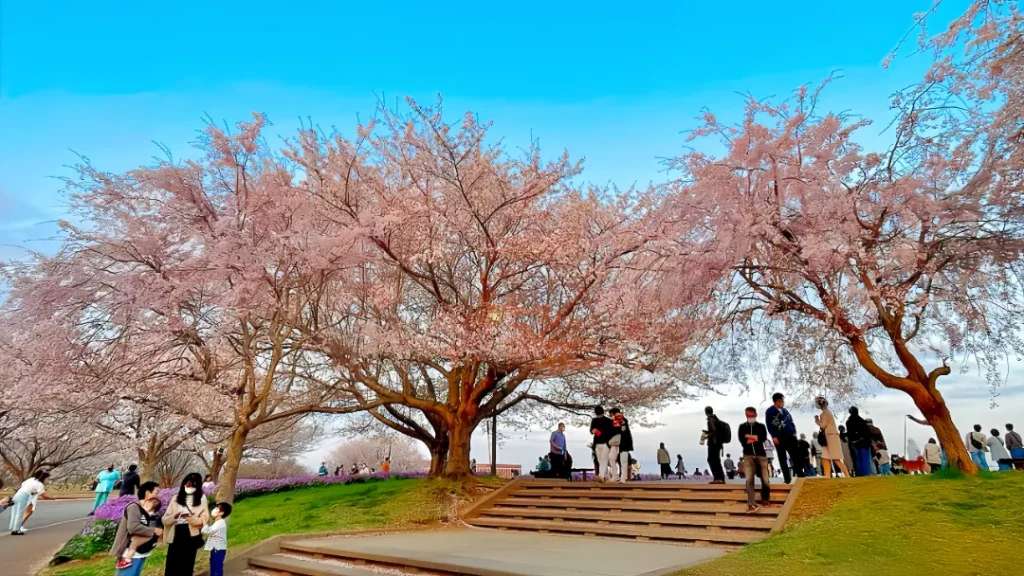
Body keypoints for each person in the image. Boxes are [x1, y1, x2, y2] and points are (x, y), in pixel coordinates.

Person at [163, 472, 210, 576]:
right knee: (172, 564)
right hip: (176, 533)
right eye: (187, 484)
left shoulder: (202, 499)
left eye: (192, 485)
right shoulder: (175, 498)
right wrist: (174, 517)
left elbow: (205, 519)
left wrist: (190, 518)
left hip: (191, 534)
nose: (189, 487)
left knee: (187, 564)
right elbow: (165, 519)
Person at [112, 480, 163, 576]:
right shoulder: (134, 507)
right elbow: (133, 527)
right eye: (156, 492)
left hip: (142, 552)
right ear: (148, 493)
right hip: (130, 553)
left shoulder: (152, 511)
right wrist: (154, 530)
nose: (158, 496)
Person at [764, 392, 805, 484]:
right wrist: (773, 436)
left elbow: (791, 421)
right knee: (782, 458)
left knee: (795, 456)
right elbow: (769, 425)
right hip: (779, 438)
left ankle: (800, 475)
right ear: (777, 401)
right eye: (782, 400)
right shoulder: (770, 411)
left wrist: (794, 432)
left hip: (790, 437)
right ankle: (787, 479)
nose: (783, 402)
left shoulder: (785, 410)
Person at [737, 407, 771, 512]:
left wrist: (750, 437)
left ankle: (765, 498)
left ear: (755, 414)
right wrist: (755, 438)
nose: (750, 417)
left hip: (761, 454)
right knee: (749, 479)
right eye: (748, 415)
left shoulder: (761, 426)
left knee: (765, 479)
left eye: (752, 415)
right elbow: (743, 440)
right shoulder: (742, 427)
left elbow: (763, 438)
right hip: (748, 455)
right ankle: (751, 503)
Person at [813, 397, 851, 478]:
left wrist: (817, 420)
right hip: (830, 437)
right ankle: (827, 475)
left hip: (830, 437)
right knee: (825, 457)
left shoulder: (824, 414)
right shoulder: (827, 412)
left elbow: (823, 425)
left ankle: (847, 475)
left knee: (835, 458)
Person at [9, 470, 51, 535]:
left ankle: (14, 529)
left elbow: (24, 485)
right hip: (23, 497)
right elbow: (44, 496)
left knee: (15, 512)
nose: (48, 480)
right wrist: (52, 498)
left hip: (17, 494)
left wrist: (32, 492)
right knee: (19, 513)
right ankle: (16, 530)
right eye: (47, 478)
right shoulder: (39, 484)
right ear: (43, 478)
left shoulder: (31, 479)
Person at [202, 502, 232, 576]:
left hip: (218, 550)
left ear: (221, 513)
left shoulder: (220, 523)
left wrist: (204, 521)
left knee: (217, 569)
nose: (214, 509)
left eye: (217, 508)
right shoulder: (217, 522)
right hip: (215, 549)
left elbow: (206, 531)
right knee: (213, 567)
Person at [846, 407, 873, 477]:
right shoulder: (862, 421)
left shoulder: (849, 422)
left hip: (854, 443)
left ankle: (859, 473)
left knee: (857, 459)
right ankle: (866, 473)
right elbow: (867, 433)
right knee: (865, 459)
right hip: (864, 442)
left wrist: (852, 441)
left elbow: (850, 433)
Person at [590, 406, 615, 481]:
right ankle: (607, 476)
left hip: (605, 444)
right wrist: (593, 431)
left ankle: (601, 476)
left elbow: (611, 433)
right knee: (600, 460)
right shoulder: (594, 420)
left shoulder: (609, 421)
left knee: (603, 460)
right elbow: (591, 430)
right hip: (598, 443)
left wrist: (598, 432)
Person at [703, 406, 727, 484]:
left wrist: (706, 436)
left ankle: (717, 478)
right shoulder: (716, 419)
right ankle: (721, 478)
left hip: (713, 443)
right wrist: (708, 432)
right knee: (716, 460)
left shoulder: (710, 420)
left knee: (711, 459)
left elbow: (714, 431)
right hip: (718, 443)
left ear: (706, 412)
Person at [610, 408, 634, 482]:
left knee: (622, 460)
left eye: (611, 414)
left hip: (623, 443)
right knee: (611, 458)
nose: (610, 416)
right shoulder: (614, 420)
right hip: (616, 442)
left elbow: (621, 429)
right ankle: (616, 477)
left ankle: (623, 478)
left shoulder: (622, 419)